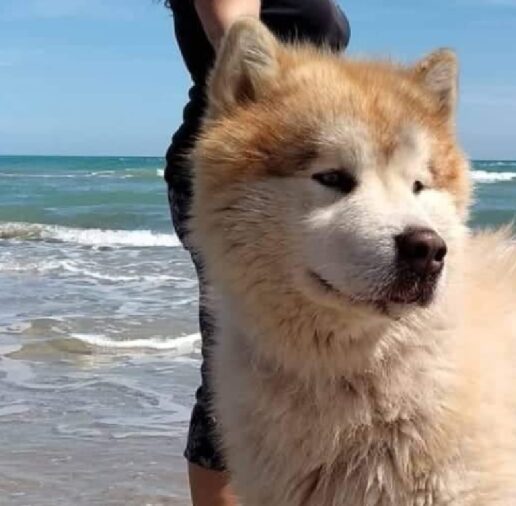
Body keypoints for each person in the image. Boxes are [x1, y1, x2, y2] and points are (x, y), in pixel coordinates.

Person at [162, 1, 350, 504]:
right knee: (246, 361)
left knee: (305, 365)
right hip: (252, 180)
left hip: (296, 178)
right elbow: (237, 40)